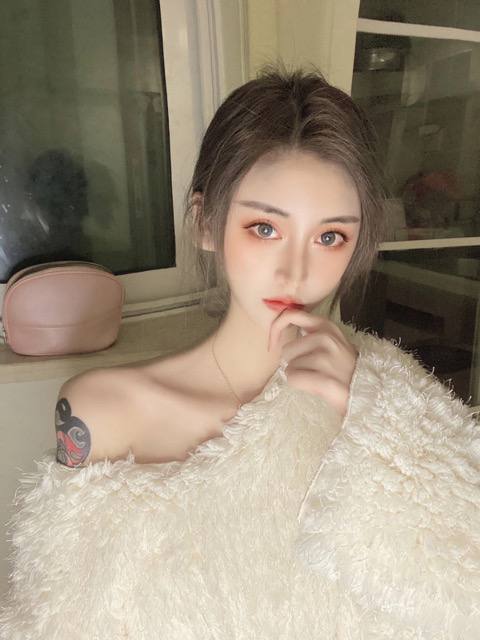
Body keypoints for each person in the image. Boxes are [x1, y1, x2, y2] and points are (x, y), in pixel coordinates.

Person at [1, 62, 479, 639]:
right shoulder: (102, 411)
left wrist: (379, 416)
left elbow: (460, 587)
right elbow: (57, 622)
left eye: (330, 237)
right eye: (265, 228)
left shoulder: (387, 398)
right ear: (206, 222)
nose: (296, 270)